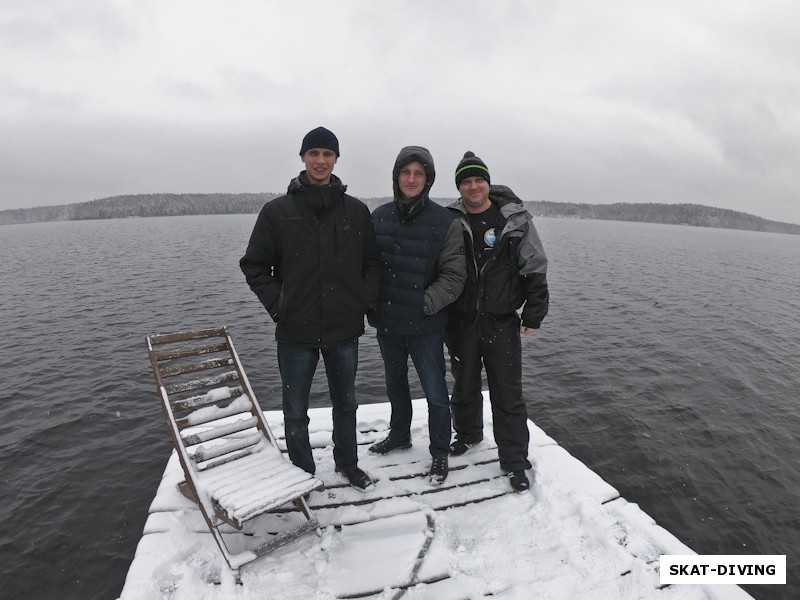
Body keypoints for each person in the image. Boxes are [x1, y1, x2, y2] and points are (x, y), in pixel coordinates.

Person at [239, 126, 380, 491]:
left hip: (344, 329)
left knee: (346, 404)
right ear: (302, 157)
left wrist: (361, 302)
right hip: (295, 331)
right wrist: (279, 304)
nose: (321, 160)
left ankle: (347, 463)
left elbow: (373, 264)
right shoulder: (277, 212)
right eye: (313, 153)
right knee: (296, 410)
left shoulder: (356, 212)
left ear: (336, 159)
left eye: (327, 154)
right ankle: (302, 472)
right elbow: (254, 265)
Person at [444, 151, 549, 493]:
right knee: (464, 386)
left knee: (508, 394)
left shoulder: (514, 221)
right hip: (461, 322)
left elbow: (534, 264)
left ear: (487, 183)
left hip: (502, 322)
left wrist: (534, 312)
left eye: (478, 179)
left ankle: (515, 460)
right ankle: (469, 435)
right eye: (466, 181)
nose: (473, 186)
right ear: (459, 187)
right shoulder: (449, 221)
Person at [368, 146, 466, 485]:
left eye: (418, 173)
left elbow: (454, 277)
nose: (411, 179)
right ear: (396, 176)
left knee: (435, 391)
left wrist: (422, 304)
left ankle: (439, 451)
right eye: (405, 172)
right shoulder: (378, 217)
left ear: (428, 179)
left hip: (425, 325)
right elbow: (367, 269)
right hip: (387, 323)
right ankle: (400, 434)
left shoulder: (445, 222)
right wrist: (370, 303)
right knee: (395, 385)